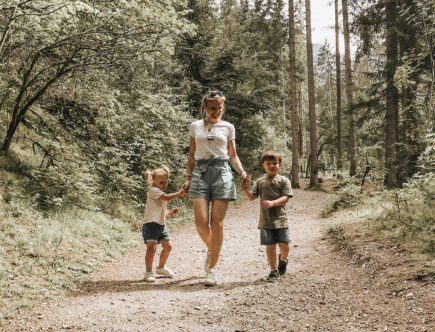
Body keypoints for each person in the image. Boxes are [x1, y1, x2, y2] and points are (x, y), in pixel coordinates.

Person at [183, 91, 247, 286]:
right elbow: (192, 155)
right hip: (200, 173)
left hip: (222, 172)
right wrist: (187, 178)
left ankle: (212, 269)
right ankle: (213, 249)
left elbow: (232, 155)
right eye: (213, 108)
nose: (217, 111)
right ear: (204, 107)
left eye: (220, 108)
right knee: (201, 223)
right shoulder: (195, 126)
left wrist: (242, 173)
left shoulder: (228, 127)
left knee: (216, 222)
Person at [241, 151, 293, 282]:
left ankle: (283, 259)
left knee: (284, 246)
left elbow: (286, 197)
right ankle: (273, 271)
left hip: (281, 219)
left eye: (274, 163)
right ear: (263, 165)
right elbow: (252, 197)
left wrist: (273, 203)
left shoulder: (284, 180)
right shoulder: (260, 181)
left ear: (280, 164)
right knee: (270, 246)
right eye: (268, 163)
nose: (271, 166)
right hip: (265, 221)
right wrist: (245, 189)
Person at [143, 166, 186, 283]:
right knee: (151, 248)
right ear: (153, 181)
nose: (164, 185)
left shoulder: (160, 193)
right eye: (161, 182)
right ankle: (148, 272)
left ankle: (161, 267)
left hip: (161, 225)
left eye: (166, 182)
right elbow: (166, 197)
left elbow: (161, 212)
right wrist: (180, 193)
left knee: (168, 246)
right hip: (151, 225)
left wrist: (170, 212)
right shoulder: (154, 191)